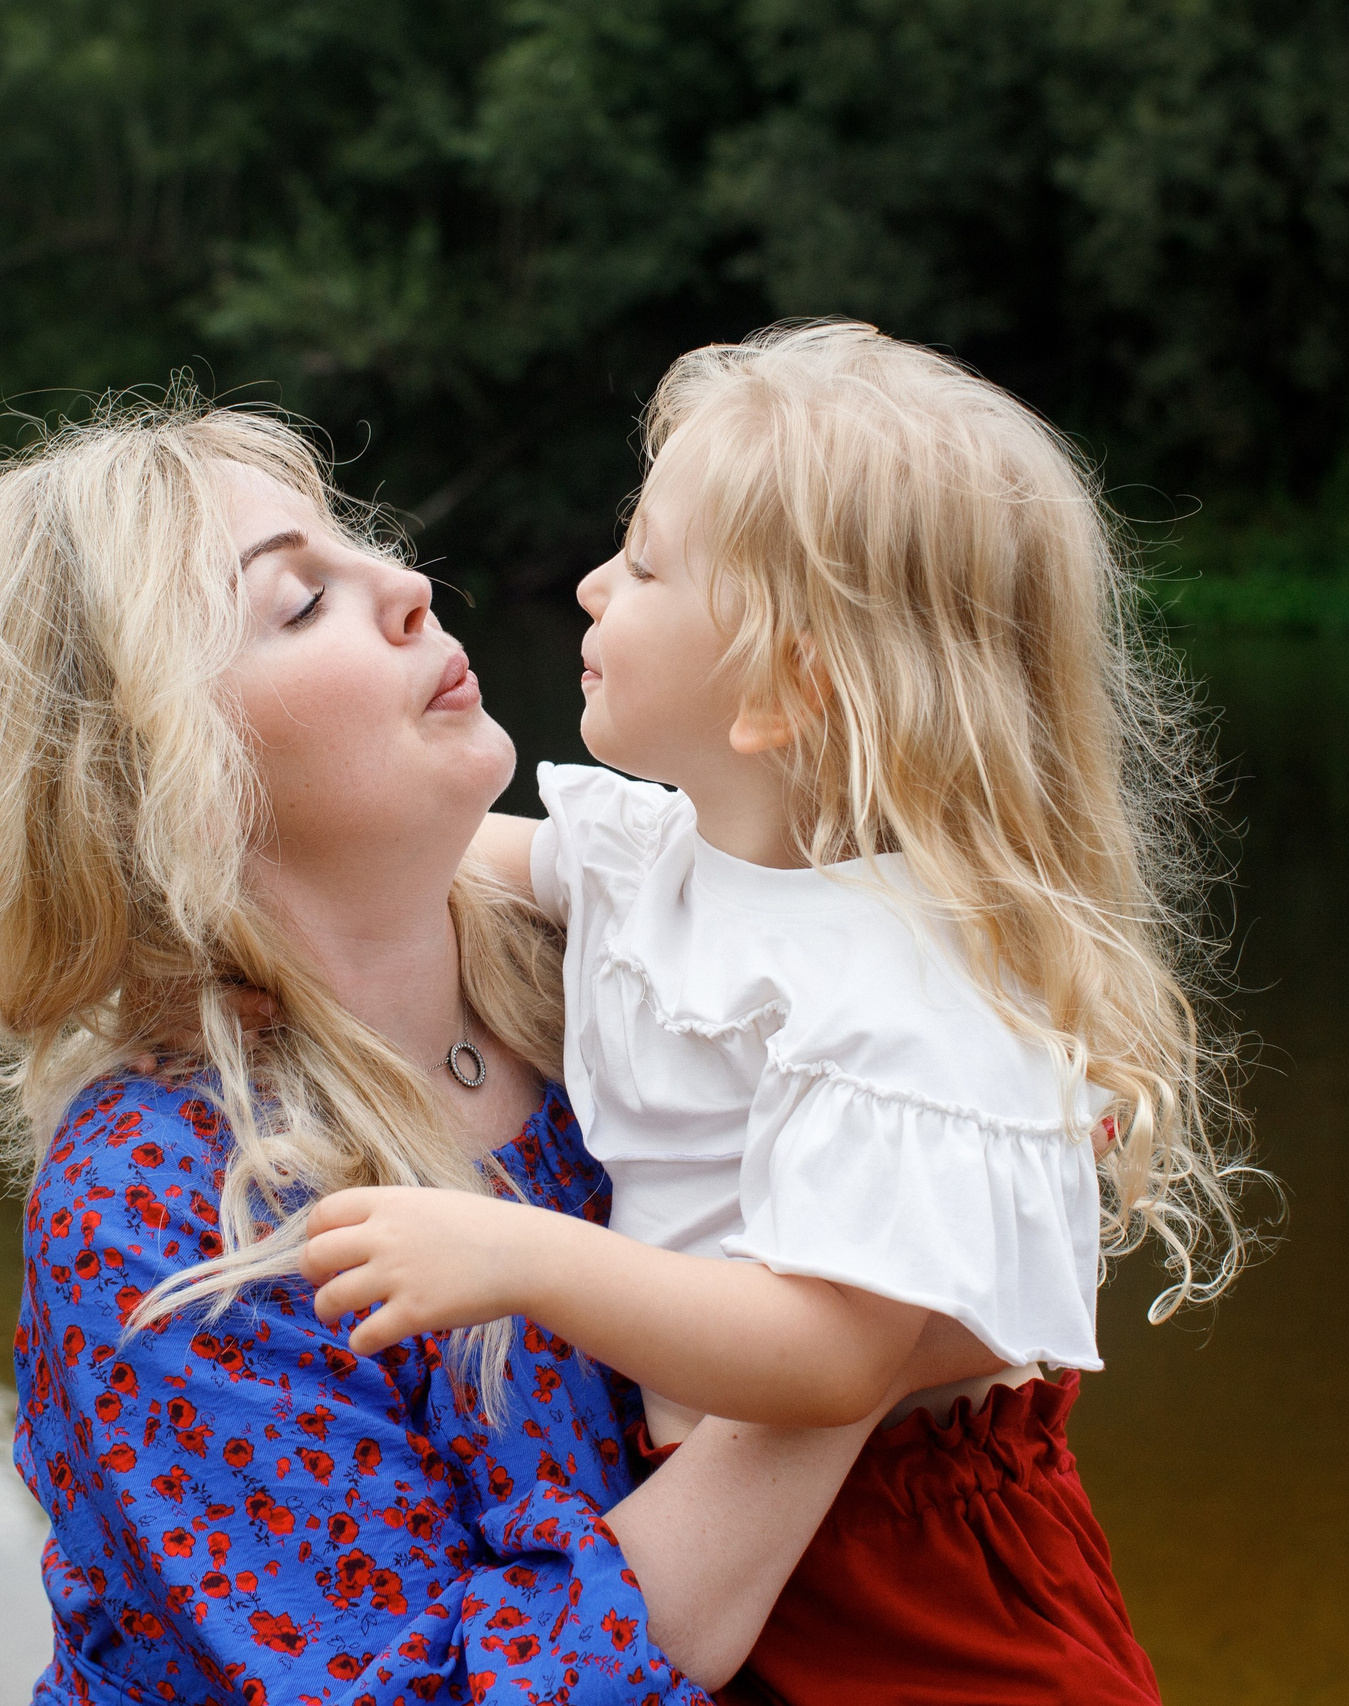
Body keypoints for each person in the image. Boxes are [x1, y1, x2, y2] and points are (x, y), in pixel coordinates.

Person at [0, 399, 975, 1705]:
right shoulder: (162, 1202)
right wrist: (868, 1326)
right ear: (161, 779)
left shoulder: (612, 979)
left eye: (360, 548)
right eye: (297, 603)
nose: (405, 587)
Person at [298, 322, 1266, 1704]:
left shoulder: (903, 984)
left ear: (788, 684)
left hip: (914, 1582)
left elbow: (830, 1356)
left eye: (641, 564)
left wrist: (516, 1256)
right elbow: (454, 851)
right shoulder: (667, 857)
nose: (586, 584)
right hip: (754, 1522)